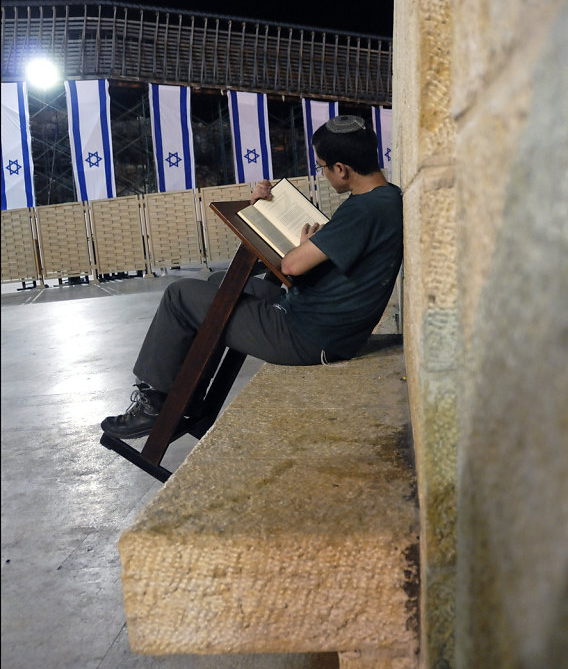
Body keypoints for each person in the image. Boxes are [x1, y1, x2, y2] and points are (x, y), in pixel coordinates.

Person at [101, 115, 403, 439]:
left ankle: (154, 404)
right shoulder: (383, 198)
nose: (324, 174)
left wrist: (303, 248)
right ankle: (185, 391)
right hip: (316, 318)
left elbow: (291, 266)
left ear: (341, 168)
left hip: (308, 337)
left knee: (179, 295)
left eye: (322, 167)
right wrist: (266, 212)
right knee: (221, 282)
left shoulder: (367, 209)